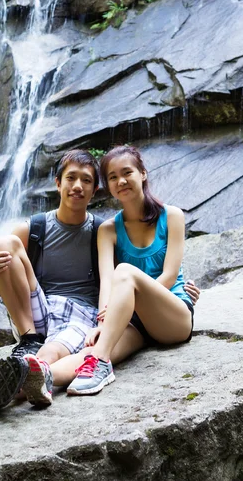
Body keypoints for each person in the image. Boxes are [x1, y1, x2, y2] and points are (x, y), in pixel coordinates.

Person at [23, 144, 197, 398]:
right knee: (89, 352)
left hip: (173, 318)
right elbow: (106, 282)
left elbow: (170, 275)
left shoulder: (171, 216)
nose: (121, 181)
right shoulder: (108, 230)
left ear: (143, 174)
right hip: (134, 324)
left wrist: (123, 310)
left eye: (127, 173)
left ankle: (102, 366)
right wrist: (103, 323)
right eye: (112, 177)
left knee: (125, 272)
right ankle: (32, 381)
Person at [0, 149, 103, 418]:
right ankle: (28, 342)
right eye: (71, 178)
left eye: (86, 180)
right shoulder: (35, 228)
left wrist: (179, 290)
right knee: (5, 244)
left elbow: (128, 273)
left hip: (80, 316)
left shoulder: (102, 232)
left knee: (51, 351)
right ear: (57, 182)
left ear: (95, 189)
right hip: (38, 314)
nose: (77, 186)